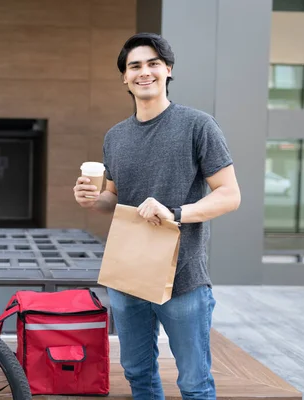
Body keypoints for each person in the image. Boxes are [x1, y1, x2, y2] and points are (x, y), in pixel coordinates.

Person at [73, 32, 241, 399]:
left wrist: (176, 212)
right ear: (124, 77)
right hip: (127, 275)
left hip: (183, 278)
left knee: (194, 383)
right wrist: (92, 199)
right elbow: (115, 200)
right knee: (138, 374)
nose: (143, 72)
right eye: (135, 66)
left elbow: (230, 195)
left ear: (168, 70)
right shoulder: (115, 137)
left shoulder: (198, 125)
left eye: (153, 64)